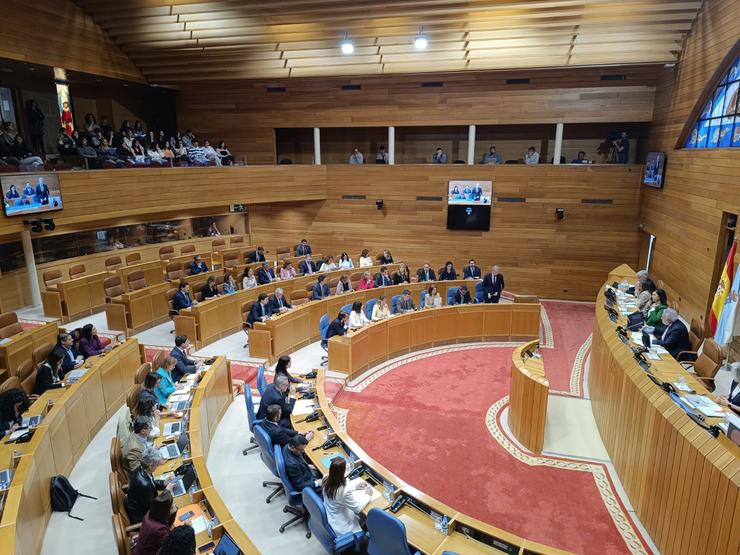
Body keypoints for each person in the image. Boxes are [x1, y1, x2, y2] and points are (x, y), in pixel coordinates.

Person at [322, 457, 373, 536]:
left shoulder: (325, 479)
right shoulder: (344, 491)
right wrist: (368, 495)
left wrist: (355, 487)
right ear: (342, 473)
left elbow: (338, 488)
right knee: (365, 516)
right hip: (342, 525)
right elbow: (358, 509)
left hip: (332, 517)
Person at [124, 447, 170, 524]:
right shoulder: (144, 484)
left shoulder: (142, 468)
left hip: (139, 505)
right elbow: (154, 507)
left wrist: (163, 483)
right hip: (142, 516)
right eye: (157, 465)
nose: (157, 467)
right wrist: (167, 491)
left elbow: (151, 483)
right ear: (151, 465)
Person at [133, 490, 177, 555]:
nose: (173, 505)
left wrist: (172, 512)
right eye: (171, 506)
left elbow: (167, 527)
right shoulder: (159, 530)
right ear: (165, 512)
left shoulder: (151, 513)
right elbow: (171, 545)